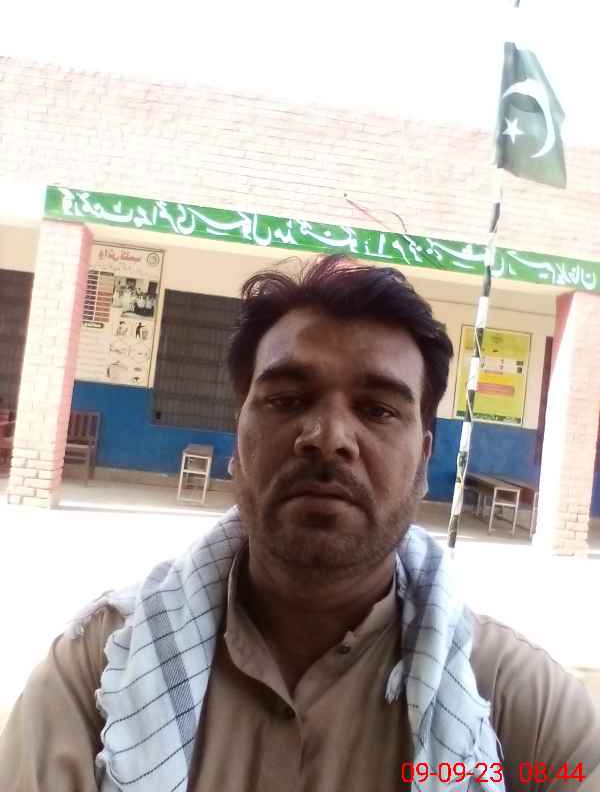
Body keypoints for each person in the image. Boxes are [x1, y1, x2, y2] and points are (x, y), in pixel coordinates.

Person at [1, 254, 599, 792]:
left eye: (377, 409)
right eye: (286, 400)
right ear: (238, 439)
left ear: (422, 461)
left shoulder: (520, 709)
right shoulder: (97, 677)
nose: (328, 437)